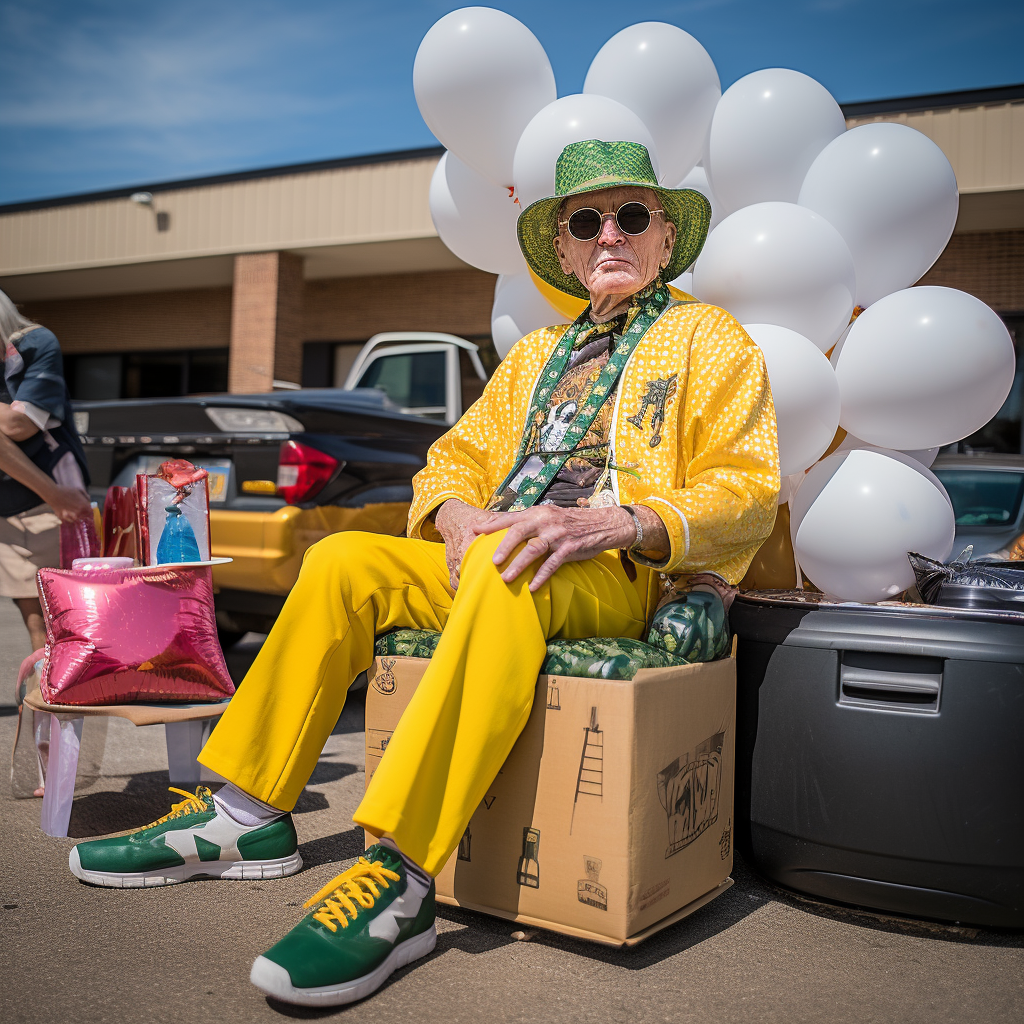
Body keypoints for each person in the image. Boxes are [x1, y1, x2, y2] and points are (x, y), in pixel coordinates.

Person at [68, 141, 779, 1006]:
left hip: (611, 571)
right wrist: (453, 514)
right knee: (339, 560)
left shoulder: (708, 337)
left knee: (508, 565)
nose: (609, 236)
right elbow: (451, 460)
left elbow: (747, 487)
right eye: (586, 222)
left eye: (633, 216)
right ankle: (247, 817)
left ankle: (400, 878)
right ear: (563, 250)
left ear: (667, 238)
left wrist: (619, 520)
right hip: (502, 554)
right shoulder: (535, 357)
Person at [0, 290, 91, 655]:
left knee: (57, 625)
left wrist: (55, 495)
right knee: (39, 624)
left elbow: (19, 424)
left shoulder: (34, 344)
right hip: (11, 508)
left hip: (45, 503)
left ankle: (54, 703)